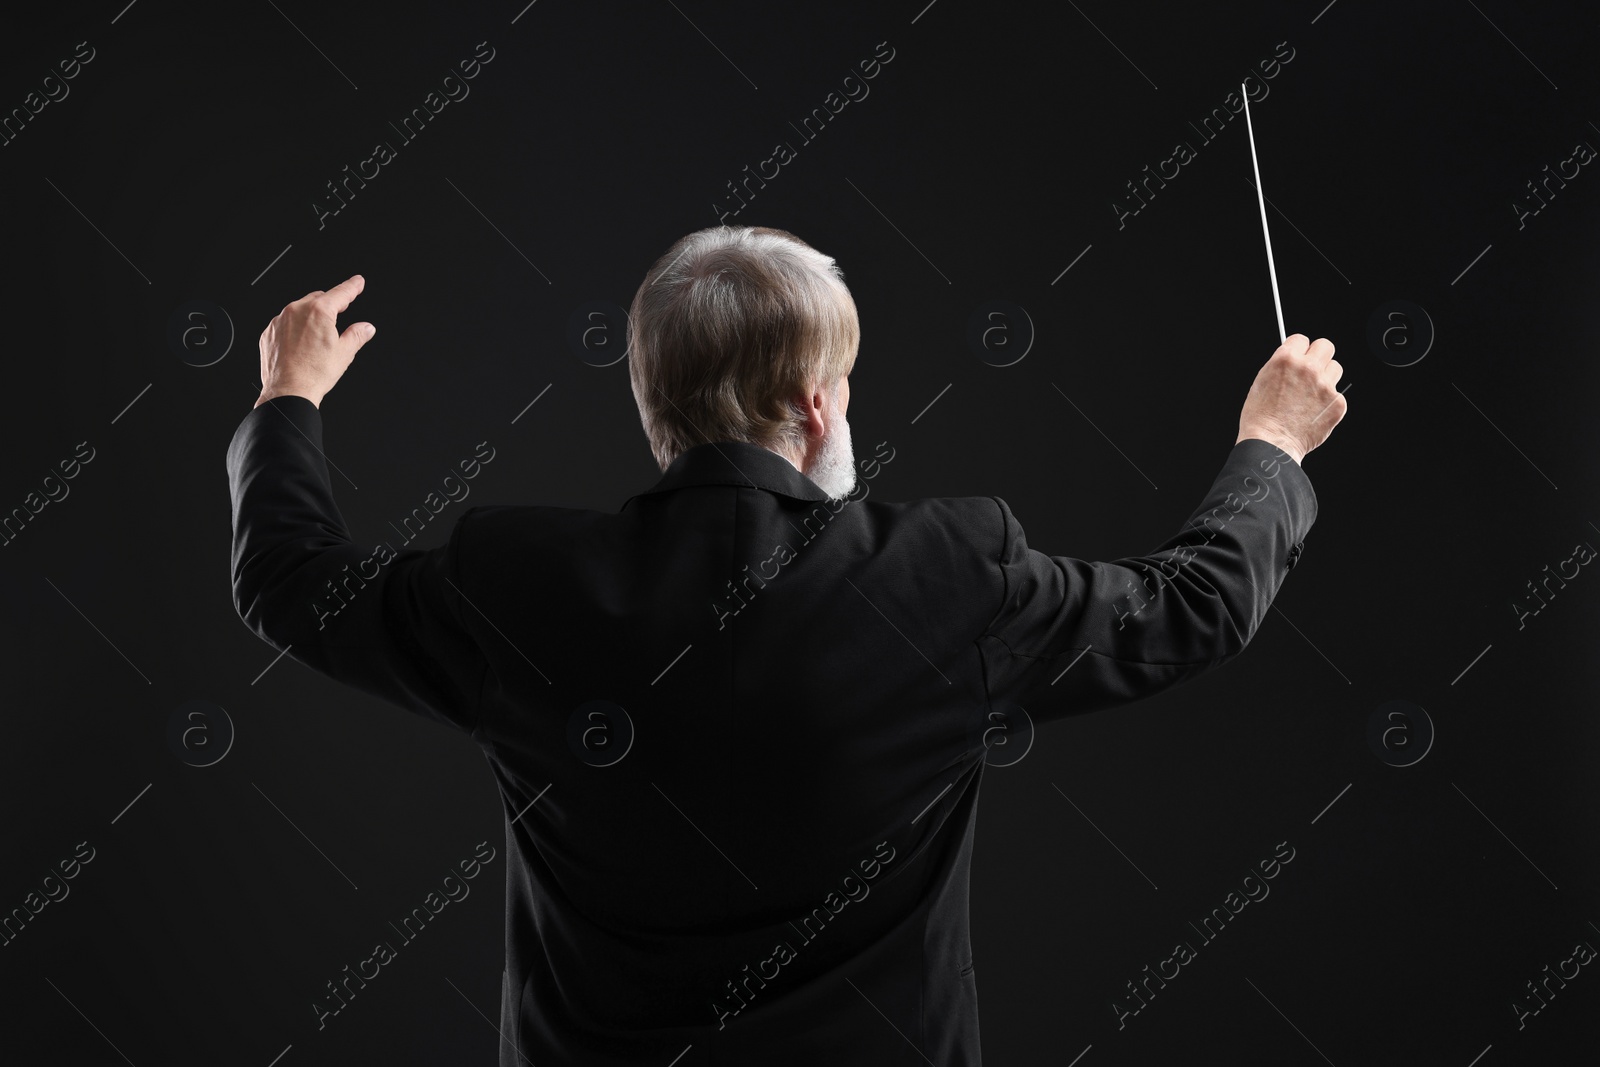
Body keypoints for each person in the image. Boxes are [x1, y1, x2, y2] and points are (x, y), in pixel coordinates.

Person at [227, 225, 1344, 1066]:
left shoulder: (517, 582)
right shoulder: (950, 576)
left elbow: (289, 578)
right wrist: (1273, 442)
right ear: (817, 407)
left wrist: (289, 393)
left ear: (652, 404)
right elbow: (1195, 605)